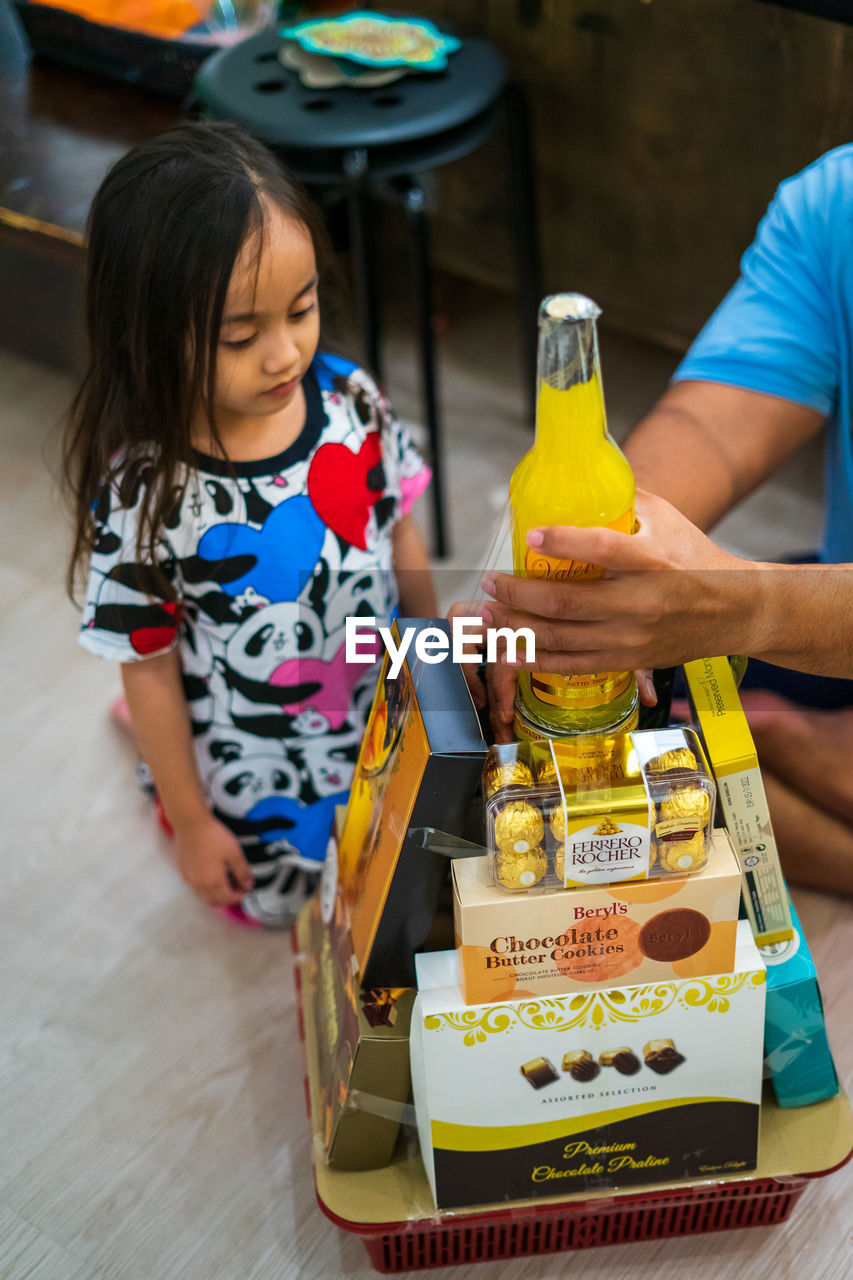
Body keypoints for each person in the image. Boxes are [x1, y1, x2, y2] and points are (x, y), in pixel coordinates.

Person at [64, 121, 436, 927]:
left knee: (403, 868)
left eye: (300, 310)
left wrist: (435, 656)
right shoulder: (145, 495)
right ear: (144, 334)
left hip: (369, 702)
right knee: (278, 907)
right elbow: (150, 666)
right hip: (254, 759)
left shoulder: (349, 398)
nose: (284, 355)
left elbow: (397, 525)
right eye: (241, 337)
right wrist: (195, 826)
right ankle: (157, 769)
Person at [478, 143, 853, 895]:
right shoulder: (836, 202)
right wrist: (584, 580)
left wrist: (757, 606)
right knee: (701, 721)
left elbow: (754, 605)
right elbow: (715, 426)